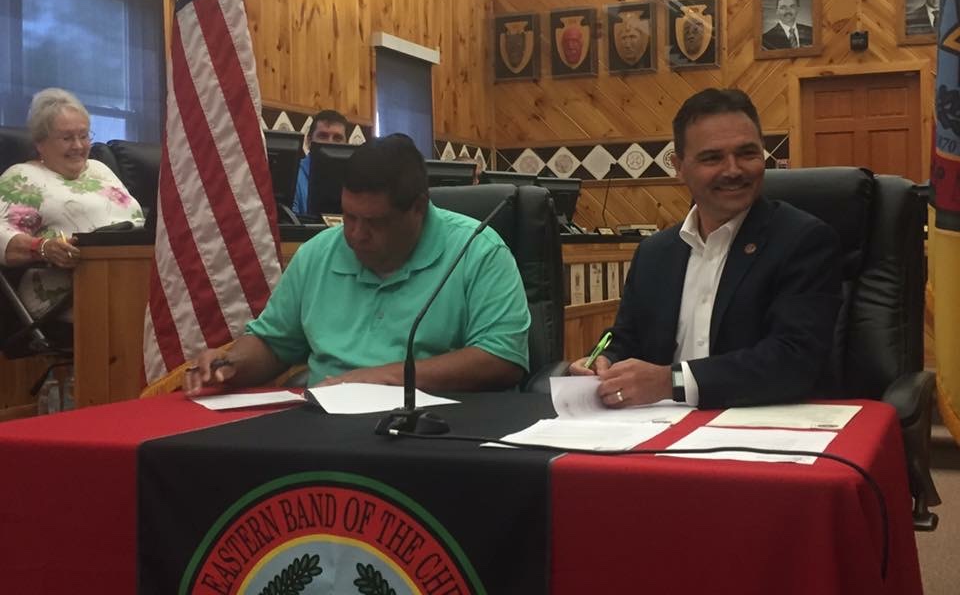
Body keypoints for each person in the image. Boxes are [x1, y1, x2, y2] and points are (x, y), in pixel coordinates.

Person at [189, 133, 530, 392]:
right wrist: (232, 363)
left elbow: (501, 358)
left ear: (418, 208)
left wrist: (381, 378)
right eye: (349, 217)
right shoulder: (319, 253)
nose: (355, 234)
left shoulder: (478, 250)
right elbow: (273, 344)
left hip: (432, 431)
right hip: (323, 426)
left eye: (375, 223)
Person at [569, 88, 842, 409]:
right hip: (656, 429)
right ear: (679, 166)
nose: (733, 170)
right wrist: (603, 358)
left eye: (747, 153)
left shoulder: (803, 240)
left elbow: (794, 361)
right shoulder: (655, 253)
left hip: (763, 426)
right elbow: (625, 337)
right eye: (713, 157)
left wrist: (672, 382)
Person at [0, 88, 145, 322]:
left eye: (84, 135)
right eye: (67, 138)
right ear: (40, 143)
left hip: (126, 278)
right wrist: (44, 248)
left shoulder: (100, 170)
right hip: (64, 293)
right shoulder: (23, 177)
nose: (78, 146)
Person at [292, 109, 349, 215]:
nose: (330, 143)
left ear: (347, 143)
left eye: (337, 138)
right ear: (308, 141)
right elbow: (291, 223)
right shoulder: (292, 174)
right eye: (323, 136)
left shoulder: (353, 177)